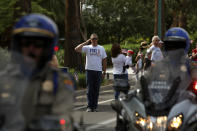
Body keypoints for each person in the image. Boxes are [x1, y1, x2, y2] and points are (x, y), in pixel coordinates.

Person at [0, 14, 75, 131]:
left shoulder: (59, 81)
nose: (31, 48)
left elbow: (64, 118)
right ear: (18, 45)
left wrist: (54, 125)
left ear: (47, 47)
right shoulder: (4, 80)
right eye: (26, 42)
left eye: (38, 43)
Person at [75, 33, 107, 112]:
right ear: (90, 40)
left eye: (96, 39)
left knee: (96, 90)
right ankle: (89, 106)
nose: (94, 40)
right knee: (89, 90)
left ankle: (95, 106)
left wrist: (104, 71)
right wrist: (86, 42)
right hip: (89, 70)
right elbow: (76, 49)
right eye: (93, 39)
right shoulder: (87, 47)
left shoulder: (101, 48)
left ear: (98, 39)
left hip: (98, 71)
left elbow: (104, 60)